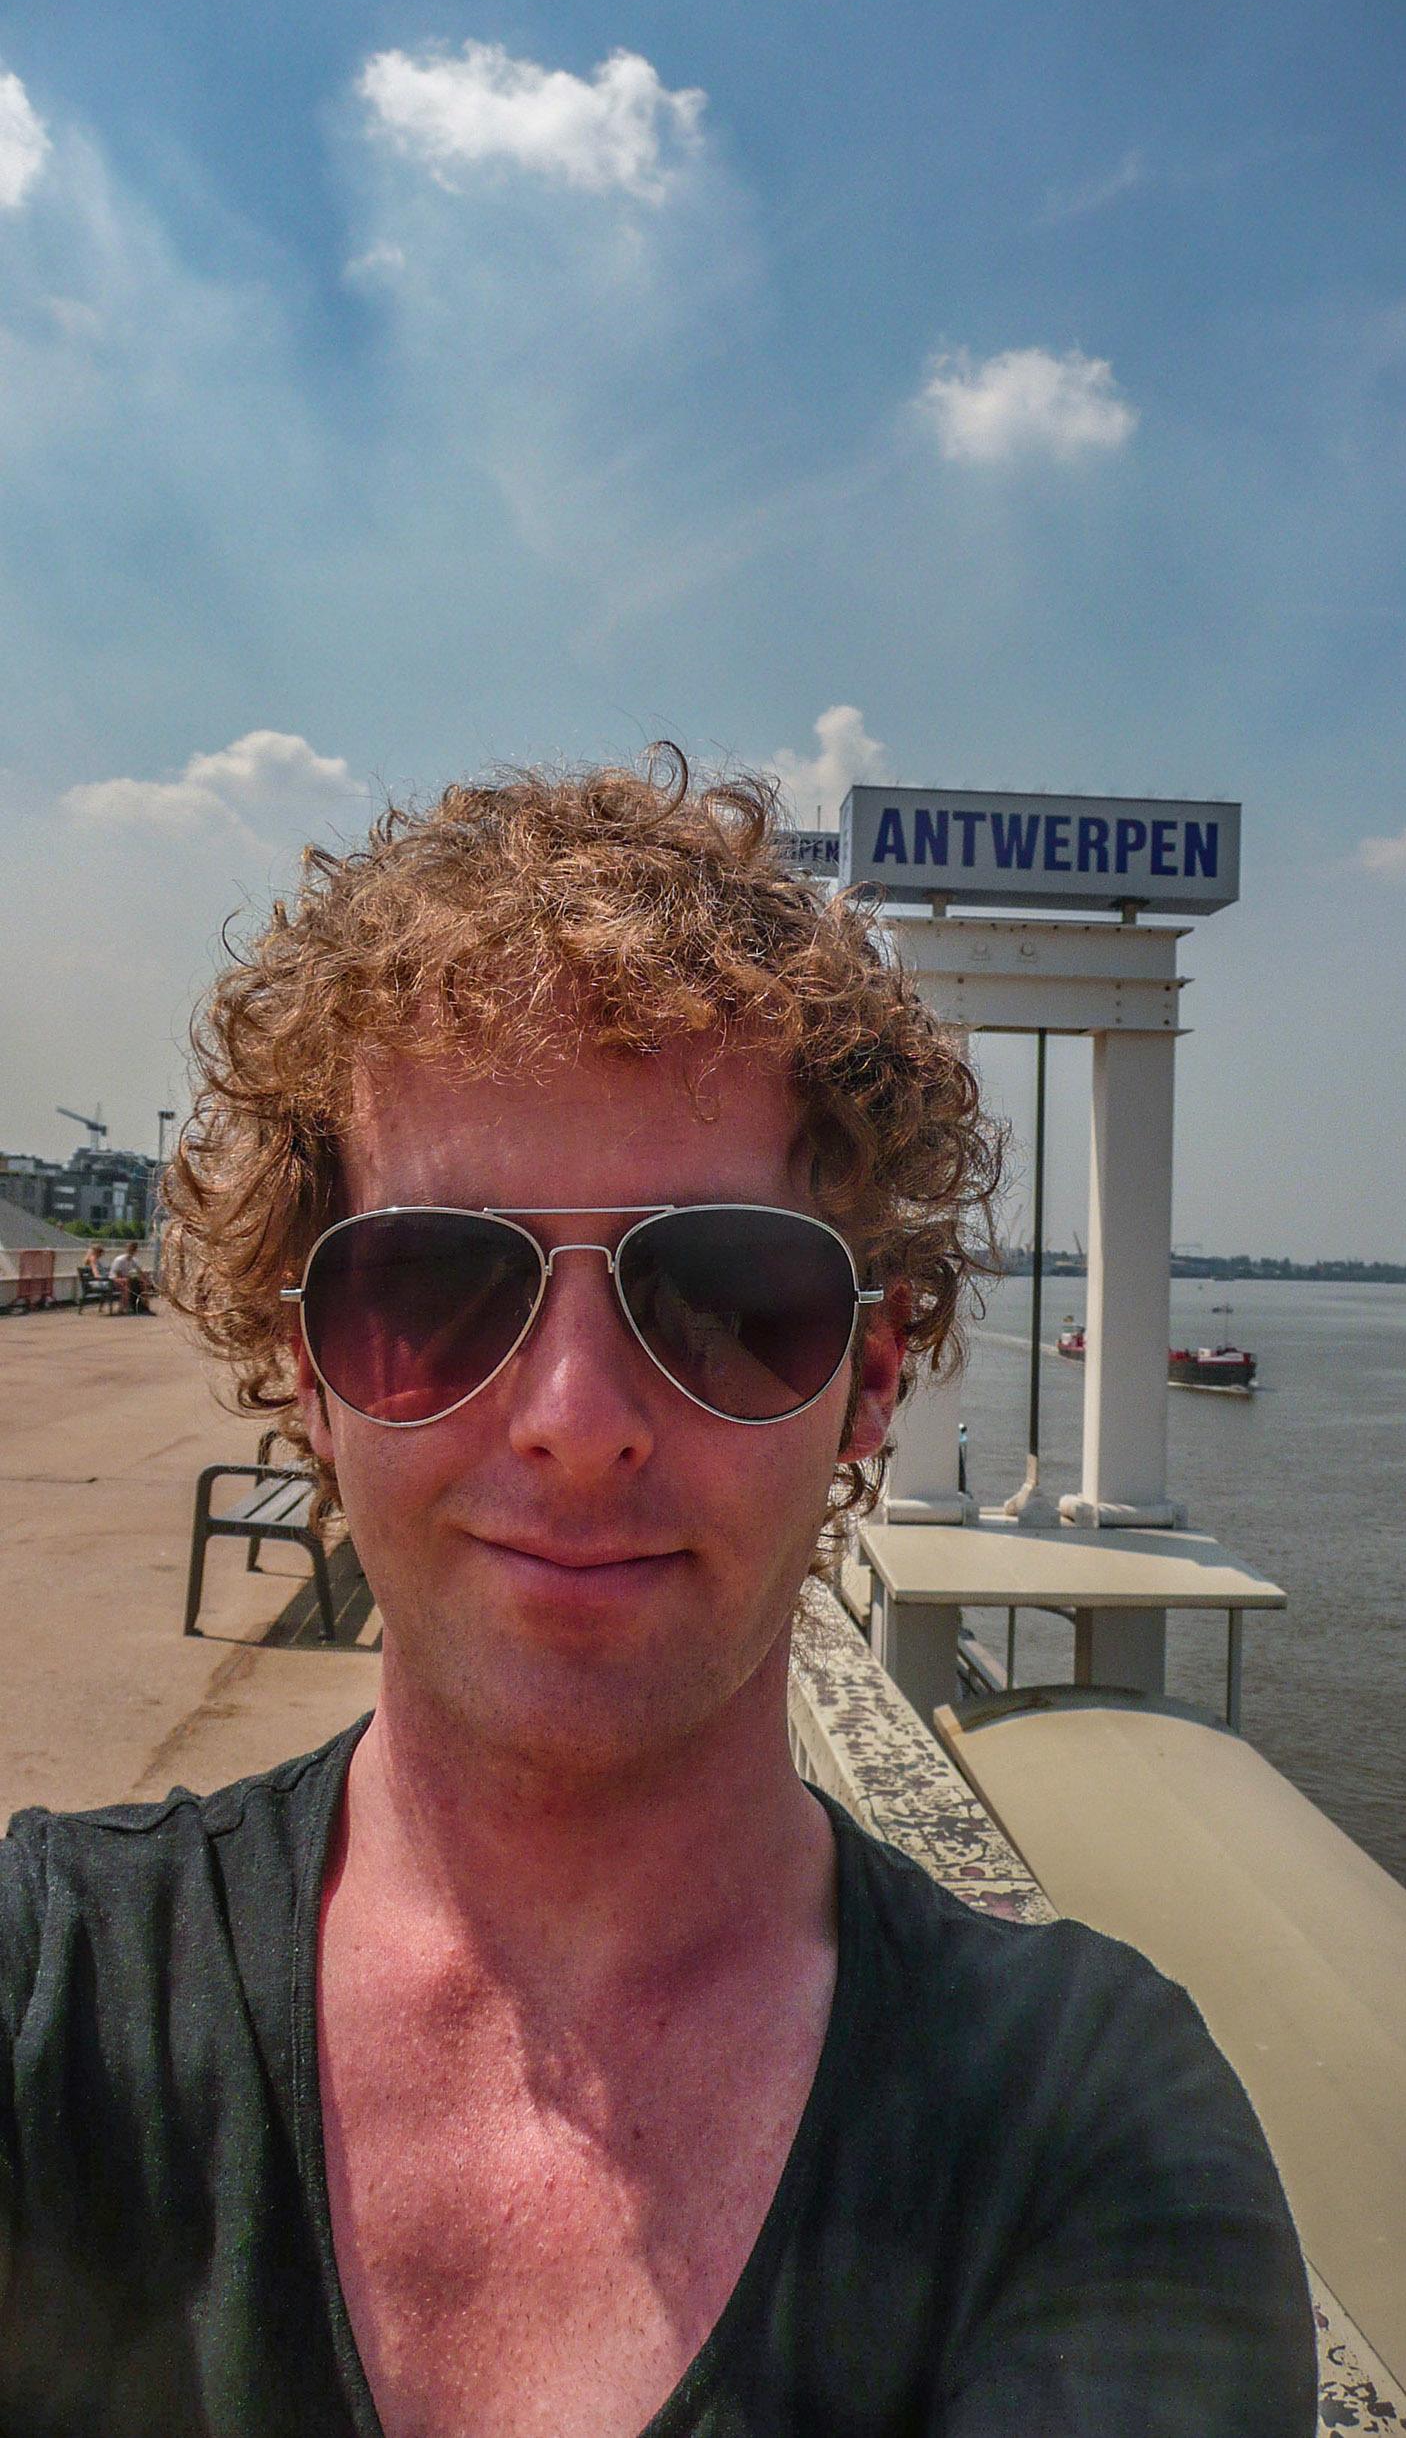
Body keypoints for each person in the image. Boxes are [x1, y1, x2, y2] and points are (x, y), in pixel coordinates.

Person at [0, 757, 1316, 2436]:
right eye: (430, 1288)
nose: (575, 1424)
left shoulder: (1084, 2139)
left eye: (721, 1299)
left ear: (871, 1377)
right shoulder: (48, 2000)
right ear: (309, 1370)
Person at [108, 1242, 155, 1314]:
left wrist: (146, 1281)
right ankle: (123, 1308)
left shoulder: (134, 1260)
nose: (132, 1251)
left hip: (125, 1279)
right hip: (114, 1279)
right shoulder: (120, 1260)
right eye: (130, 1249)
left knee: (143, 1284)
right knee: (126, 1283)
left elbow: (140, 1272)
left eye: (133, 1249)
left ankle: (145, 1306)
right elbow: (118, 1274)